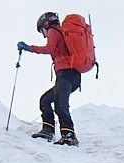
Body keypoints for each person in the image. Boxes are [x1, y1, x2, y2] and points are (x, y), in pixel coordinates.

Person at [22, 11, 89, 145]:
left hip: (66, 73)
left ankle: (68, 135)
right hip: (73, 76)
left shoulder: (53, 31)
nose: (44, 34)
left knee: (60, 103)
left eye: (42, 31)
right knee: (46, 100)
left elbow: (49, 48)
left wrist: (29, 48)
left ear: (45, 24)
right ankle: (49, 130)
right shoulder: (62, 33)